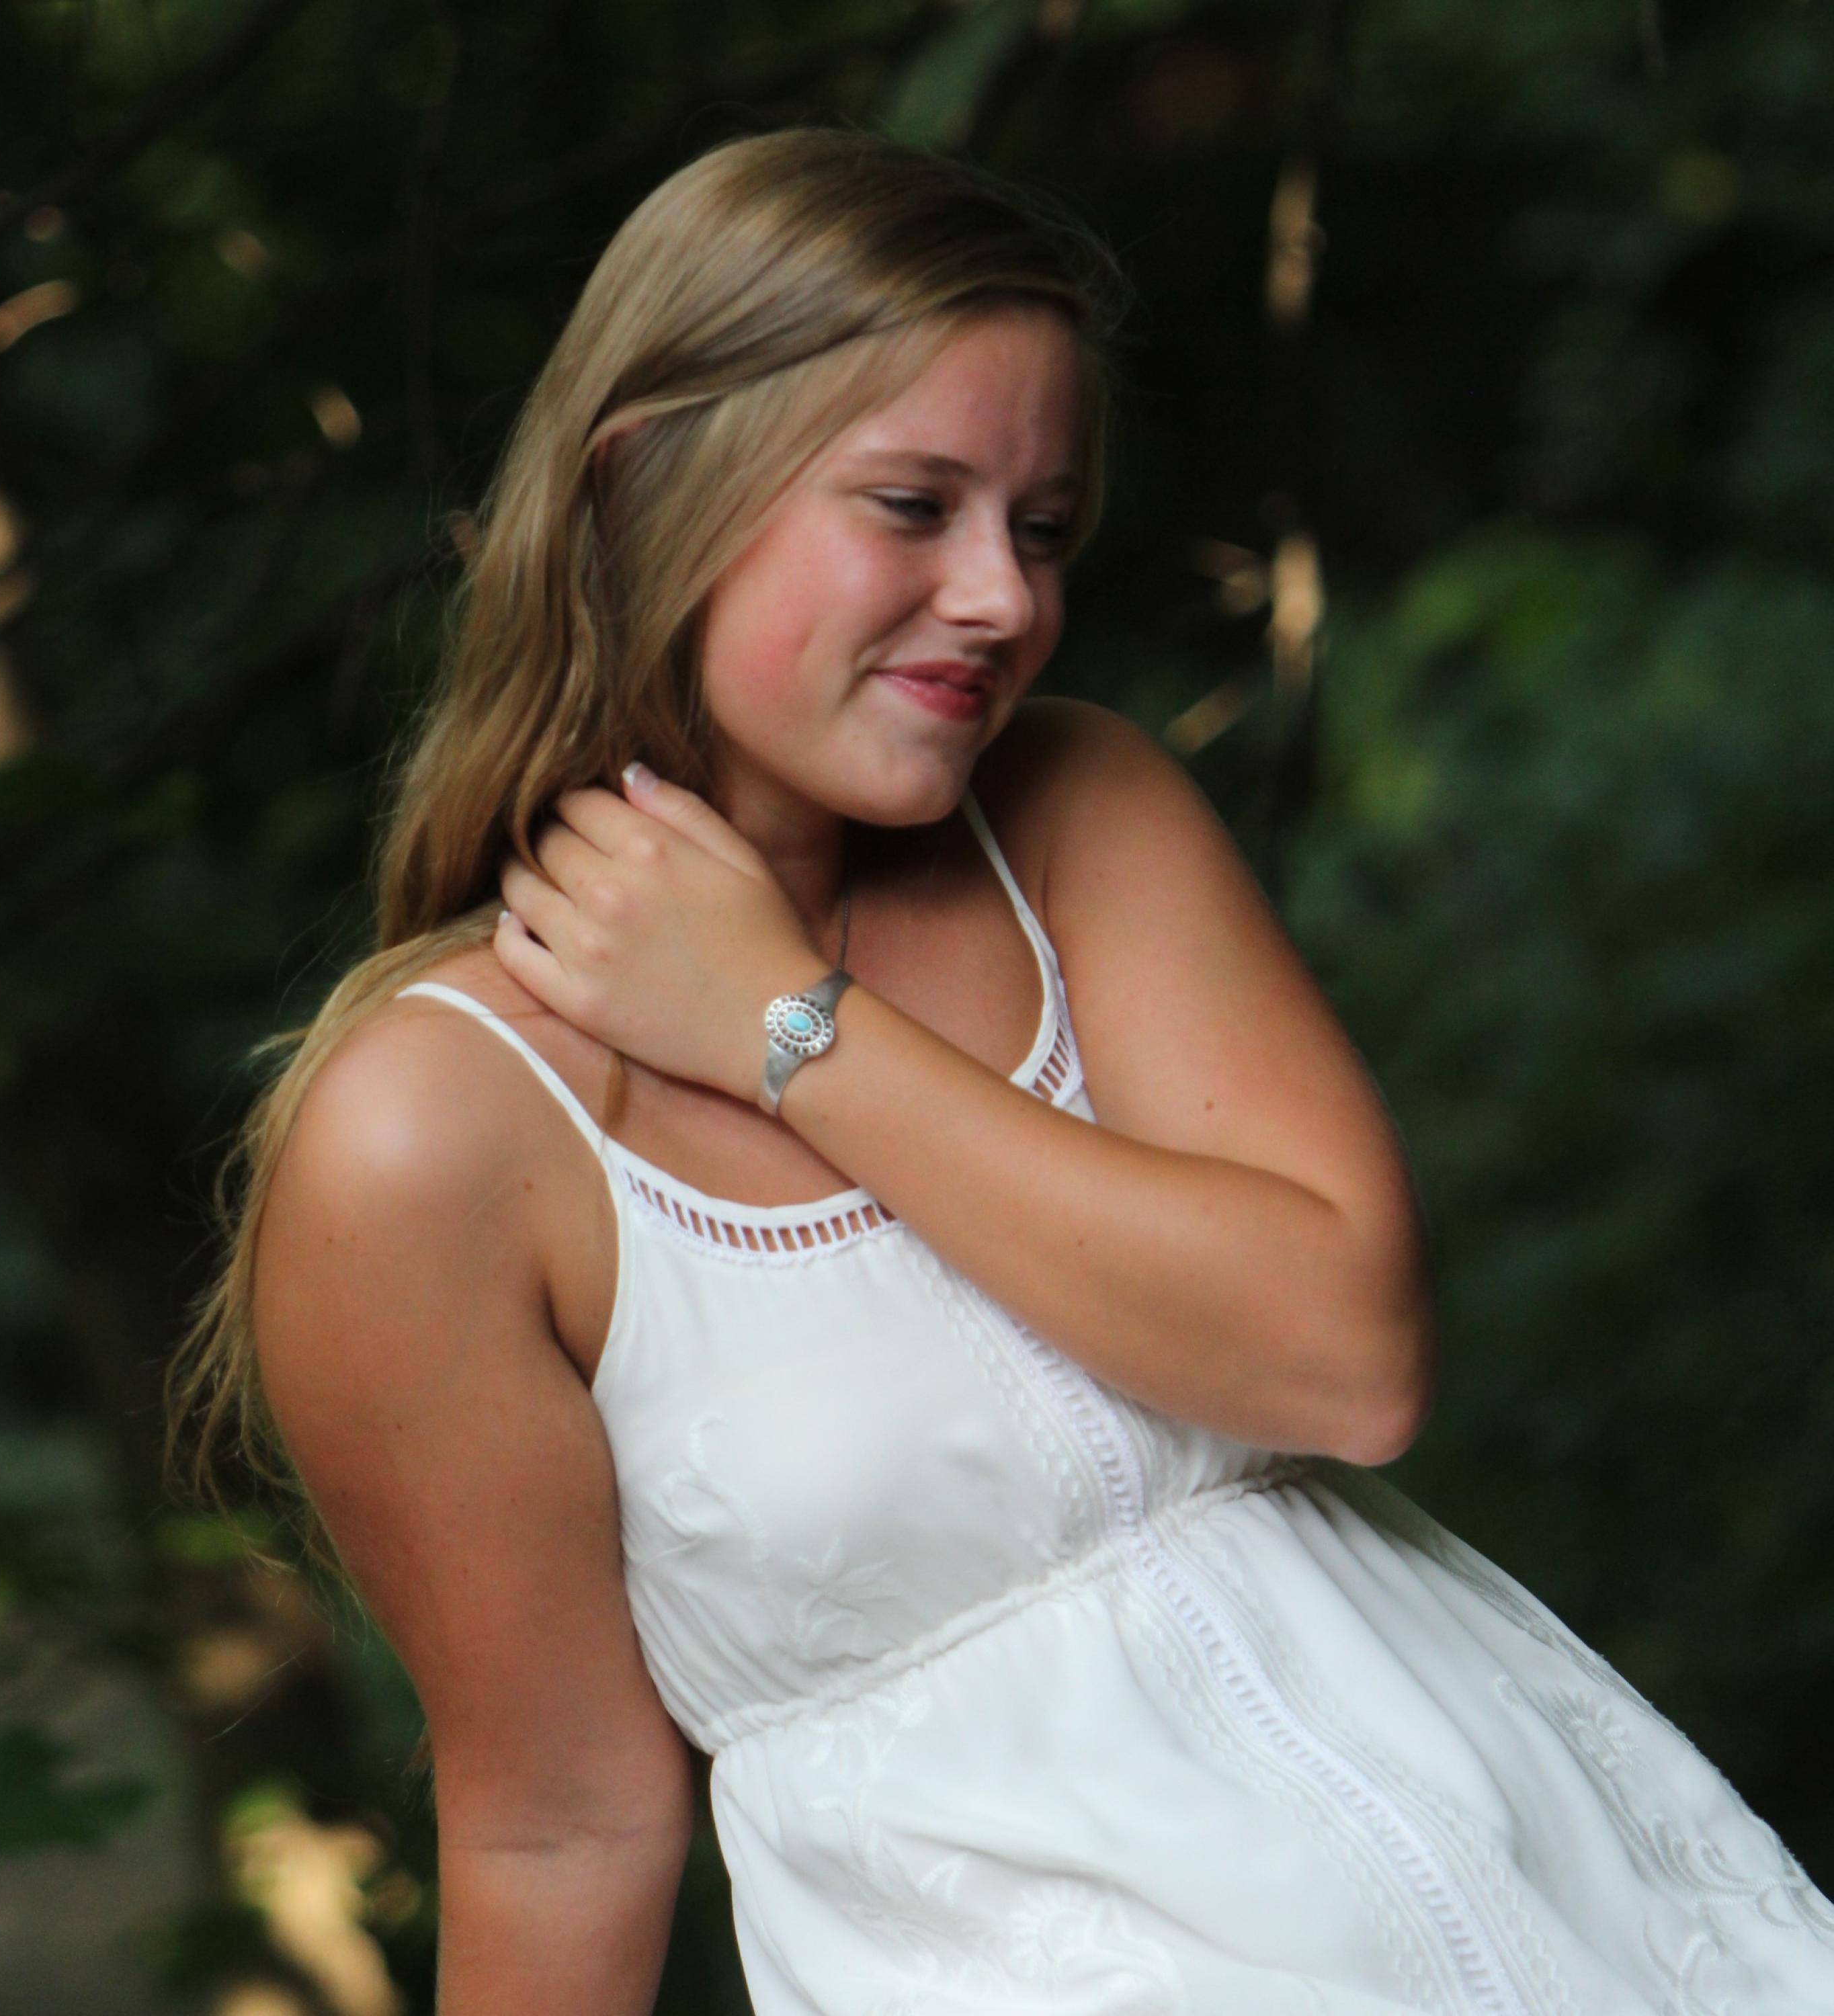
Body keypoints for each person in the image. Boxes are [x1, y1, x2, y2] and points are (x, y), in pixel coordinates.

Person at [169, 128, 1834, 2015]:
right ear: (641, 488)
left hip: (1609, 1938)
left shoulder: (1080, 813)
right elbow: (560, 1828)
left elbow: (1346, 1357)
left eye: (1041, 528)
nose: (1000, 600)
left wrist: (784, 1024)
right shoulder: (429, 1134)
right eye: (913, 505)